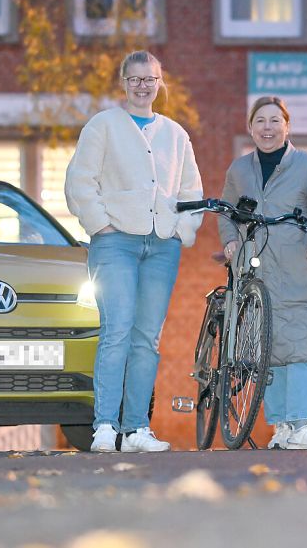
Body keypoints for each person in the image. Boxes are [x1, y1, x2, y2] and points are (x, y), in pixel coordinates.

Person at [65, 50, 203, 453]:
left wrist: (182, 230)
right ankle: (106, 427)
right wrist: (100, 226)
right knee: (117, 331)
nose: (144, 85)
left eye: (151, 78)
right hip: (115, 243)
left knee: (148, 338)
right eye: (136, 78)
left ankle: (137, 429)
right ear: (124, 82)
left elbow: (191, 189)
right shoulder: (103, 125)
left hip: (162, 245)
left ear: (161, 83)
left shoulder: (176, 134)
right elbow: (80, 182)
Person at [220, 96, 307, 450]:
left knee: (301, 344)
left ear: (287, 126)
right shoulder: (239, 170)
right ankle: (282, 428)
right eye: (260, 121)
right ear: (250, 127)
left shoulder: (306, 164)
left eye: (275, 121)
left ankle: (302, 422)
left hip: (297, 270)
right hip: (254, 269)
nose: (267, 128)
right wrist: (229, 243)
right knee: (265, 346)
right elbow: (227, 213)